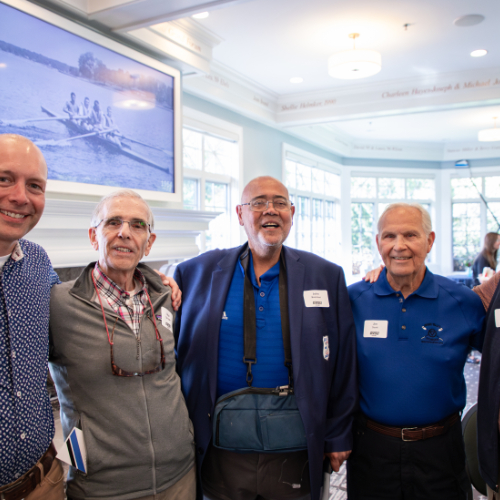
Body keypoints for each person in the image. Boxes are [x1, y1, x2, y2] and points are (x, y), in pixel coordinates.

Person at [174, 176, 357, 500]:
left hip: (296, 445)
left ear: (292, 212)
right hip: (219, 446)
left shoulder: (326, 276)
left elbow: (344, 363)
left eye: (280, 202)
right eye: (258, 202)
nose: (270, 210)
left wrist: (339, 433)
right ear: (240, 214)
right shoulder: (195, 273)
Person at [49, 189, 196, 500]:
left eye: (137, 225)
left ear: (149, 243)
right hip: (103, 488)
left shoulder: (167, 298)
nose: (125, 233)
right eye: (113, 222)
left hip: (180, 476)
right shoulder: (57, 304)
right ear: (93, 236)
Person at [347, 202, 485, 499]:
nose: (399, 246)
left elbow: (495, 360)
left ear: (429, 241)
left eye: (410, 235)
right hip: (372, 451)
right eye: (389, 236)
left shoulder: (462, 302)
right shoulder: (354, 299)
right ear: (378, 243)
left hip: (441, 451)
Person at [0, 134, 65, 500]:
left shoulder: (38, 262)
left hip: (45, 482)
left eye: (34, 185)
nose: (20, 197)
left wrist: (150, 279)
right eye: (4, 178)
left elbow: (75, 317)